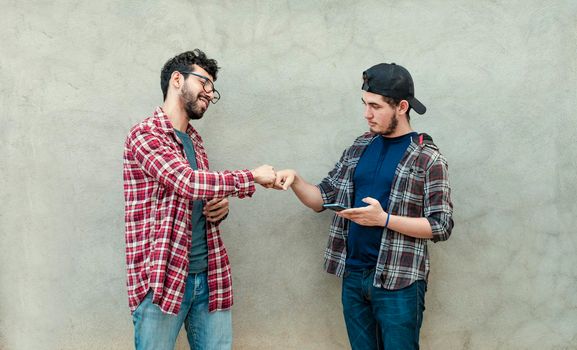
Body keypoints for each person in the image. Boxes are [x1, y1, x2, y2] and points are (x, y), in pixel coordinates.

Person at [274, 63, 454, 349]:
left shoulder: (427, 158)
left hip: (400, 281)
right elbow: (322, 198)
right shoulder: (360, 146)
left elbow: (441, 226)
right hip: (354, 277)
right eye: (364, 104)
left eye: (375, 106)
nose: (366, 114)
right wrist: (295, 180)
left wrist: (383, 219)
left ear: (402, 107)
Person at [123, 49, 276, 350]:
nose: (209, 93)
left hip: (209, 276)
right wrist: (252, 176)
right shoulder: (145, 135)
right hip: (161, 279)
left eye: (212, 89)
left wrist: (219, 207)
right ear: (177, 79)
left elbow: (196, 194)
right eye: (205, 83)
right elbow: (186, 182)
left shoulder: (194, 141)